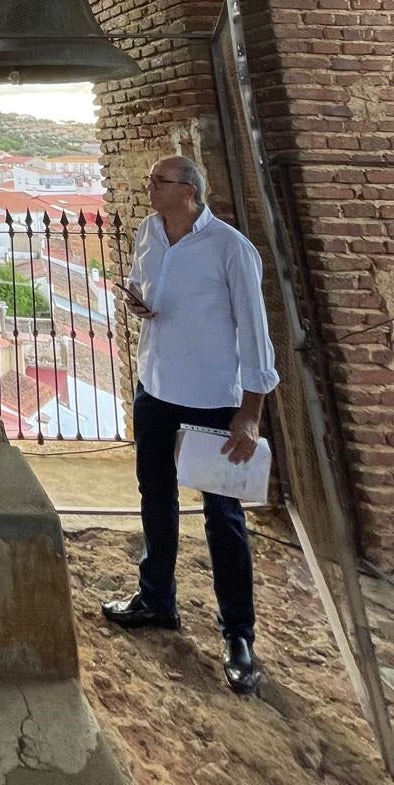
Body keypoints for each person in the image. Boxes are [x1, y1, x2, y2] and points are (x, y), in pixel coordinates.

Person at [101, 156, 280, 695]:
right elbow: (141, 286)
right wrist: (138, 304)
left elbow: (255, 331)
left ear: (190, 192)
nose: (149, 187)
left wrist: (250, 413)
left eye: (159, 181)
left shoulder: (231, 249)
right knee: (154, 495)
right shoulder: (149, 232)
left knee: (221, 515)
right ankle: (157, 597)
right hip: (155, 388)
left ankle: (238, 635)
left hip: (211, 398)